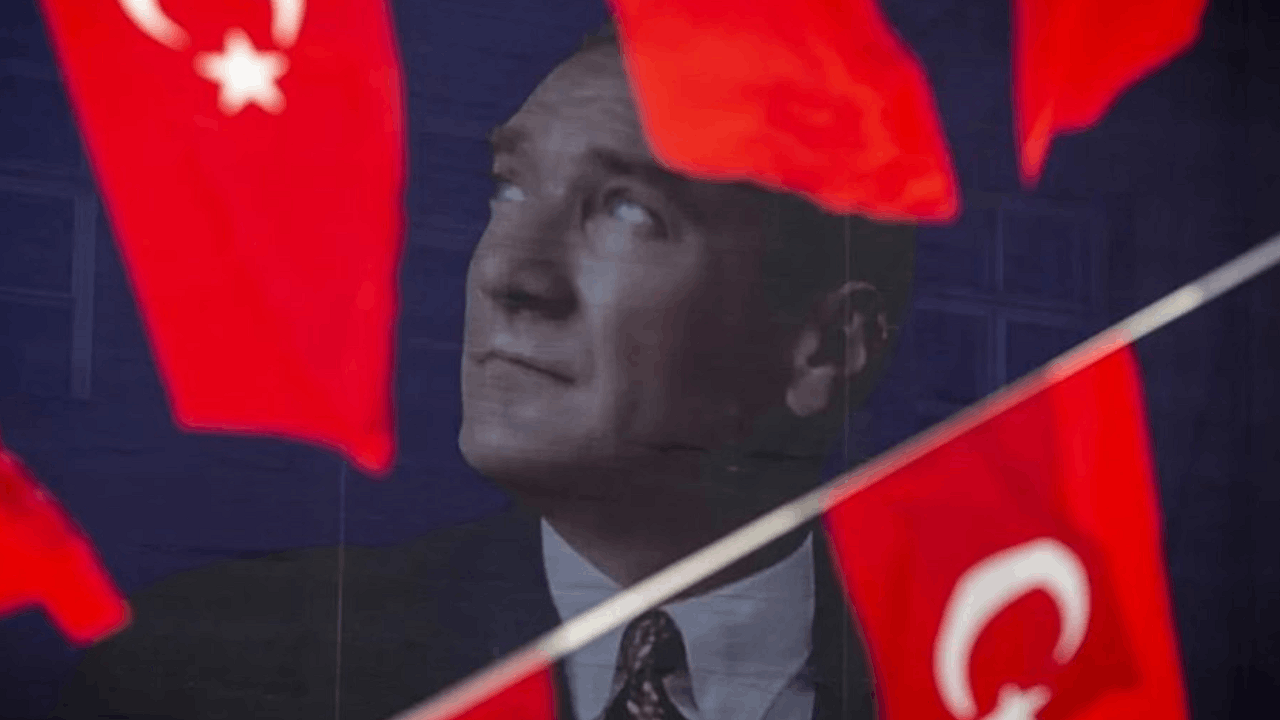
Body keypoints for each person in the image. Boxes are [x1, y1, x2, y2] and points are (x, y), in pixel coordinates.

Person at [52, 22, 915, 720]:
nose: (509, 275)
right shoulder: (198, 679)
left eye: (627, 209)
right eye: (508, 187)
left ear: (828, 348)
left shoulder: (962, 672)